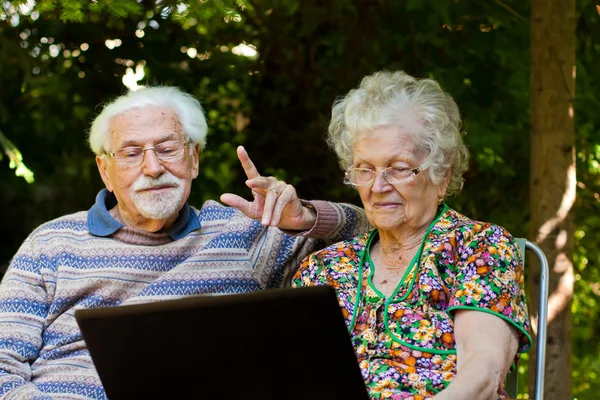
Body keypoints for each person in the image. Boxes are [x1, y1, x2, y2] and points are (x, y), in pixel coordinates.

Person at [0, 86, 367, 399]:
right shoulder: (51, 244)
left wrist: (303, 217)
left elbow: (373, 231)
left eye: (167, 149)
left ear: (193, 159)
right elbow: (3, 364)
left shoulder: (242, 235)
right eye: (131, 153)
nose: (153, 167)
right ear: (105, 170)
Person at [292, 71, 531, 400]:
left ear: (442, 174)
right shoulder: (323, 271)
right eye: (365, 169)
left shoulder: (479, 248)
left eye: (399, 168)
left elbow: (482, 376)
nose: (378, 186)